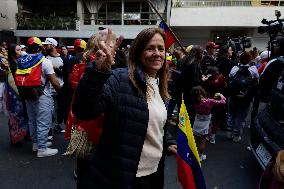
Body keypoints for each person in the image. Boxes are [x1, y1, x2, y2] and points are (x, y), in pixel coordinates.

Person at [72, 28, 177, 189]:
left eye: (161, 48)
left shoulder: (160, 84)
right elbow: (83, 111)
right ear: (137, 52)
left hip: (155, 173)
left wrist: (168, 141)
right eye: (150, 48)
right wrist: (97, 72)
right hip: (125, 177)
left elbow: (152, 120)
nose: (157, 53)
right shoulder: (120, 79)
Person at [23, 37, 61, 157]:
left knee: (32, 120)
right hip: (42, 94)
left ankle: (36, 144)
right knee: (43, 121)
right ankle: (42, 149)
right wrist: (61, 90)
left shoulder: (22, 60)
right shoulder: (45, 61)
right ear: (40, 48)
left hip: (27, 94)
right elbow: (55, 82)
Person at [227, 52, 259, 142]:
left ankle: (229, 132)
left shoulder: (235, 68)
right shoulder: (253, 69)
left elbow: (230, 77)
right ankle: (237, 135)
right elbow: (256, 80)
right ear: (250, 59)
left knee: (232, 113)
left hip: (233, 96)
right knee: (241, 115)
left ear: (240, 59)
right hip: (246, 98)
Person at [190, 86, 226, 161]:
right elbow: (223, 102)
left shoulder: (195, 102)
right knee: (202, 140)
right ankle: (200, 156)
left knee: (196, 138)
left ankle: (193, 153)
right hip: (205, 123)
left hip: (197, 122)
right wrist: (221, 95)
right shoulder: (209, 101)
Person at [43, 37, 65, 133]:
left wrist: (56, 69)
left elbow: (66, 74)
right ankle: (49, 128)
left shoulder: (62, 59)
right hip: (48, 89)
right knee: (48, 111)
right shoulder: (44, 58)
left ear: (52, 45)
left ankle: (56, 125)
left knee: (58, 109)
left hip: (60, 89)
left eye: (46, 44)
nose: (44, 46)